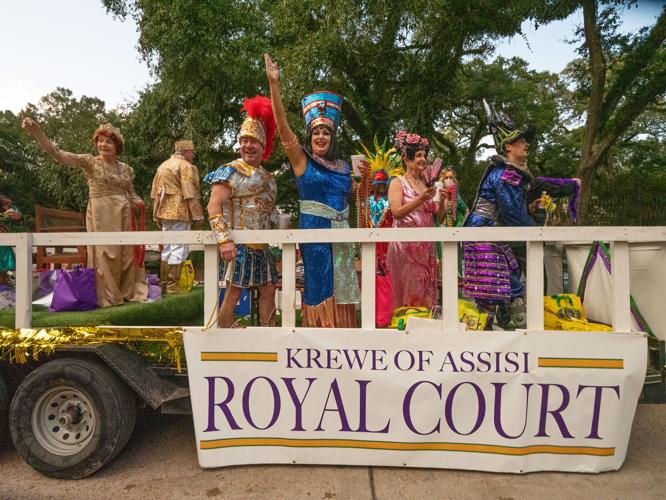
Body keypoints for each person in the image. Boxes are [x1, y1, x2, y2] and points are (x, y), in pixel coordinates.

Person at [265, 53, 360, 327]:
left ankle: (345, 336)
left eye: (326, 133)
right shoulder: (301, 159)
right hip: (315, 233)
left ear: (332, 138)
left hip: (342, 236)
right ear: (310, 136)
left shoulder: (343, 166)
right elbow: (283, 128)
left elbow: (356, 201)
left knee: (343, 291)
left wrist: (362, 184)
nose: (321, 137)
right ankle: (318, 336)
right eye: (316, 132)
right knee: (320, 288)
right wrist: (275, 85)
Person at [22, 118, 147, 307]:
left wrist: (137, 201)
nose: (103, 145)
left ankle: (125, 291)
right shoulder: (90, 162)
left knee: (126, 252)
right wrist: (37, 132)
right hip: (102, 213)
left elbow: (131, 192)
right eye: (100, 141)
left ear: (117, 146)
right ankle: (108, 294)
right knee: (106, 252)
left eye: (109, 141)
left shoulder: (126, 169)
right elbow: (57, 154)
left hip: (124, 213)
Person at [205, 96, 279, 327]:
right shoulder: (231, 171)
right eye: (244, 141)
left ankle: (269, 331)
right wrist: (224, 240)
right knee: (235, 288)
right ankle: (225, 330)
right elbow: (213, 205)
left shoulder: (268, 177)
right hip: (238, 244)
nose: (247, 146)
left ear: (262, 146)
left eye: (253, 141)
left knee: (269, 288)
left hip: (262, 245)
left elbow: (270, 212)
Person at [386, 131, 446, 310]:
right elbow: (396, 212)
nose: (423, 159)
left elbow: (439, 216)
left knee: (426, 292)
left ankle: (425, 331)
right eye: (419, 155)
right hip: (405, 247)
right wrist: (421, 199)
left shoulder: (428, 184)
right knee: (408, 295)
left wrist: (442, 200)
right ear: (406, 158)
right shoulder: (397, 182)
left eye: (425, 155)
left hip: (427, 248)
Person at [151, 139, 204, 294]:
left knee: (167, 246)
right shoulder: (186, 166)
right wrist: (198, 215)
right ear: (185, 151)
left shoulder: (163, 165)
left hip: (163, 209)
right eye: (192, 151)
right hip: (180, 209)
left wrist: (156, 213)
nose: (193, 154)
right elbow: (190, 191)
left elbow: (155, 192)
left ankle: (164, 285)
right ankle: (173, 286)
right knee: (180, 245)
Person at [0, 196, 27, 285]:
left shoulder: (6, 205)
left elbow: (21, 223)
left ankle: (3, 280)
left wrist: (19, 217)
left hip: (3, 244)